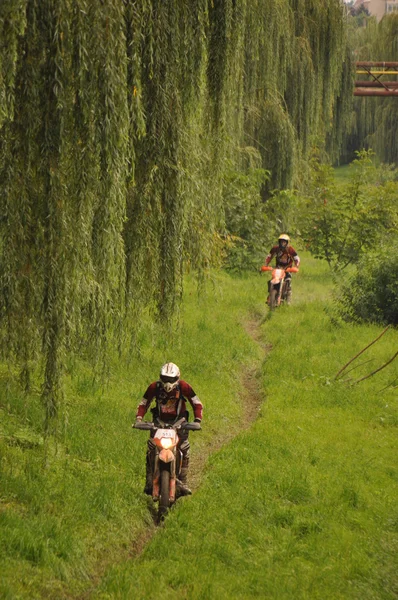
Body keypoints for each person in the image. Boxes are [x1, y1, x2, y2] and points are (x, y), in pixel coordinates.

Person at [135, 362, 203, 496]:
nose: (168, 382)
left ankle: (183, 481)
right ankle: (149, 480)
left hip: (180, 422)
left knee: (184, 447)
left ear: (177, 378)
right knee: (151, 447)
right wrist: (139, 418)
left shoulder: (183, 387)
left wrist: (197, 420)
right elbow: (144, 403)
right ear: (160, 377)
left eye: (171, 379)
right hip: (158, 422)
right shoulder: (155, 387)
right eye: (165, 379)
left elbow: (196, 402)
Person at [262, 234, 300, 304]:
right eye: (281, 242)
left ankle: (288, 299)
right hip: (278, 268)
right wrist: (266, 265)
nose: (283, 243)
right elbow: (269, 256)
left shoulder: (290, 249)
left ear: (287, 242)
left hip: (288, 268)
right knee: (272, 280)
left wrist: (296, 266)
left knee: (288, 280)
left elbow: (296, 258)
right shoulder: (275, 248)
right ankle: (270, 295)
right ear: (279, 242)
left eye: (284, 242)